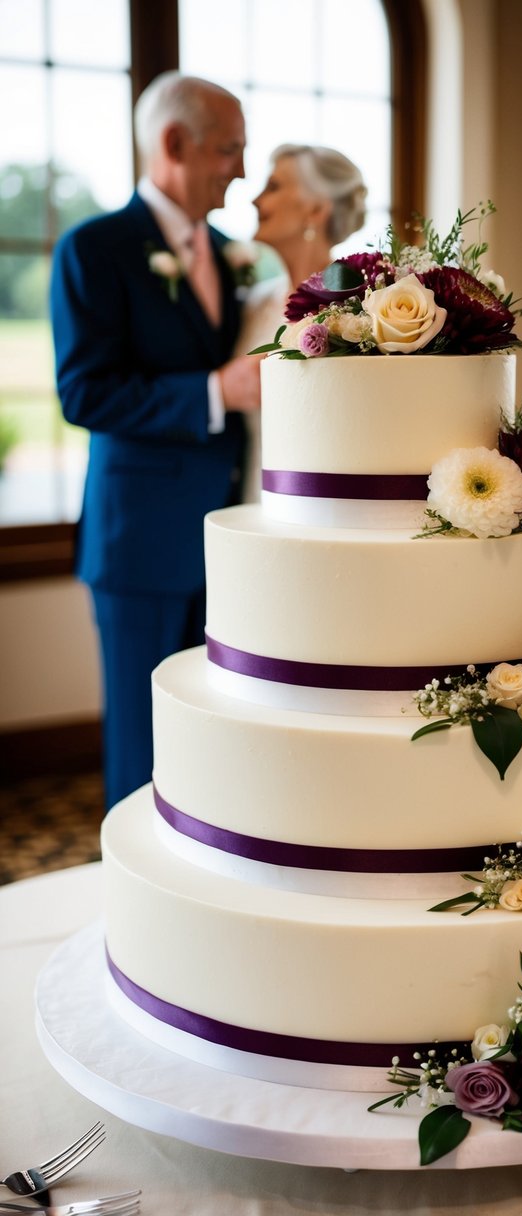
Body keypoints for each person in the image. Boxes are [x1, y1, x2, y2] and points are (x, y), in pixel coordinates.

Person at [50, 72, 262, 811]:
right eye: (230, 148)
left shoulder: (231, 254)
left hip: (226, 539)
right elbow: (85, 391)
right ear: (174, 143)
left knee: (212, 734)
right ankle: (132, 912)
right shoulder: (95, 248)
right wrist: (216, 392)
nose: (241, 169)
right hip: (139, 543)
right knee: (141, 745)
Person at [234, 144, 367, 499]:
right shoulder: (255, 303)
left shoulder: (360, 307)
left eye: (274, 187)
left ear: (316, 209)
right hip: (252, 493)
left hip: (324, 498)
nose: (256, 200)